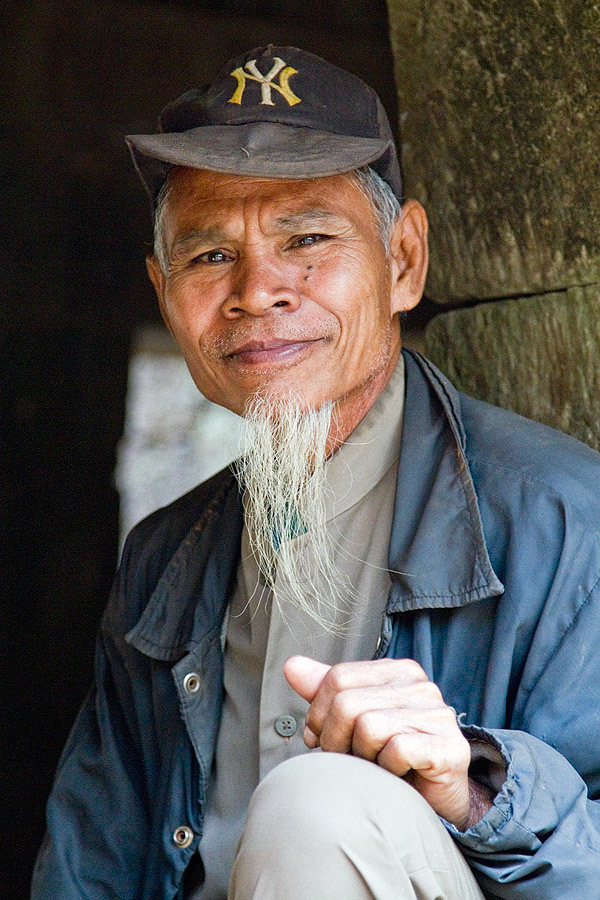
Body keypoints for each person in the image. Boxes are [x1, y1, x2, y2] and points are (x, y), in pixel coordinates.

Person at [32, 44, 600, 900]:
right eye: (209, 256)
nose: (258, 291)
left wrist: (477, 788)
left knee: (322, 809)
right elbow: (88, 868)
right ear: (163, 292)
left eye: (306, 238)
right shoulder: (165, 559)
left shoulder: (562, 517)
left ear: (403, 261)